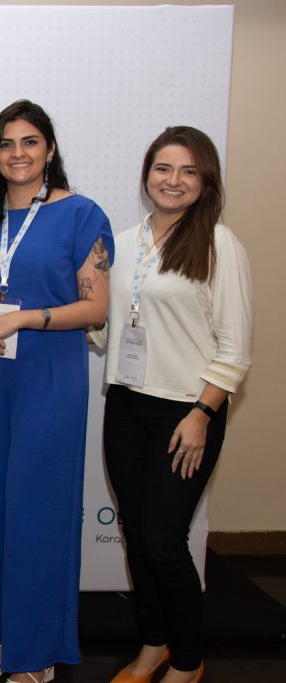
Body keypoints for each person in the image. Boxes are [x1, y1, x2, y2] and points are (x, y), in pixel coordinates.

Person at [0, 100, 113, 683]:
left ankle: (36, 649)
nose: (18, 153)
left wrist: (20, 319)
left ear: (49, 149)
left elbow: (95, 307)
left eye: (30, 142)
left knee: (38, 509)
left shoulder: (81, 214)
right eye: (6, 143)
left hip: (50, 375)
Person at [102, 127, 253, 683]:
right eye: (163, 168)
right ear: (147, 175)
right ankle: (153, 644)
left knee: (164, 540)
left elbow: (236, 348)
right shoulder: (122, 243)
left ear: (206, 180)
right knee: (138, 538)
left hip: (186, 412)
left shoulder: (218, 244)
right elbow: (110, 326)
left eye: (189, 171)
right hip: (125, 404)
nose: (174, 180)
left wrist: (202, 414)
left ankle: (188, 661)